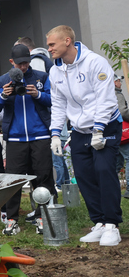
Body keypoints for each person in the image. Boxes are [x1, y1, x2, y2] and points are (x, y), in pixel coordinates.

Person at [47, 25, 122, 246]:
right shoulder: (55, 70)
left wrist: (99, 129)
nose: (49, 48)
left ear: (67, 41)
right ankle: (98, 222)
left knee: (103, 170)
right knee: (84, 174)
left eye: (52, 44)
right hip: (79, 130)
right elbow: (58, 104)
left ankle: (112, 224)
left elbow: (106, 98)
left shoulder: (94, 62)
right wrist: (54, 134)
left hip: (106, 125)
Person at [0, 43, 55, 236]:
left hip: (41, 135)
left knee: (43, 176)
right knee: (13, 180)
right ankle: (12, 220)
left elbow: (53, 100)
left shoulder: (41, 77)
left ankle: (42, 216)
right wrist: (3, 94)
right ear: (11, 62)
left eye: (26, 63)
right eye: (19, 64)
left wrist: (38, 94)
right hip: (15, 138)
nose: (23, 67)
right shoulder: (3, 80)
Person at [114, 74, 129, 199]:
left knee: (117, 163)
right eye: (119, 81)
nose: (120, 83)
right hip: (123, 133)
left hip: (114, 133)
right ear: (114, 82)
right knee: (128, 159)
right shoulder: (117, 94)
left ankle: (110, 188)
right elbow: (123, 111)